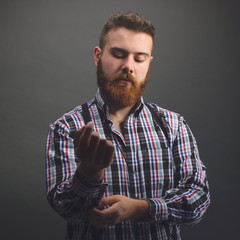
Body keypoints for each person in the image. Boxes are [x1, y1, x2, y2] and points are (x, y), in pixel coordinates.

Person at [45, 12, 210, 240]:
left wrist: (141, 207)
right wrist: (89, 173)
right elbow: (66, 209)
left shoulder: (173, 126)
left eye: (139, 58)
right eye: (119, 54)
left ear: (148, 64)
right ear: (98, 56)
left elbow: (198, 198)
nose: (128, 66)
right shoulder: (67, 127)